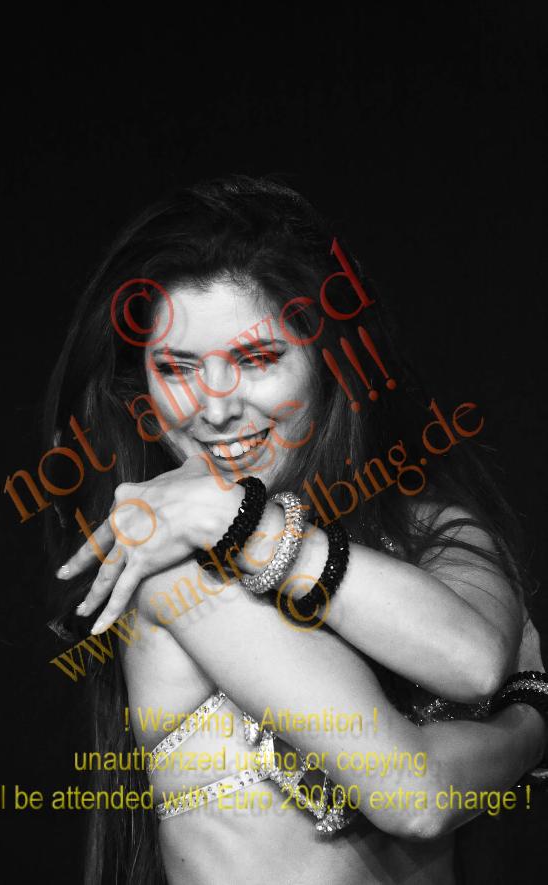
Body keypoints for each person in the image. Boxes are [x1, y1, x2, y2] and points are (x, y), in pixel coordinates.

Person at [45, 175, 547, 884]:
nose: (215, 409)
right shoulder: (172, 568)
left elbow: (472, 660)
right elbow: (415, 793)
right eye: (177, 368)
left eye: (256, 360)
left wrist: (243, 524)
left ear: (328, 360)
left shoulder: (431, 527)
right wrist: (531, 722)